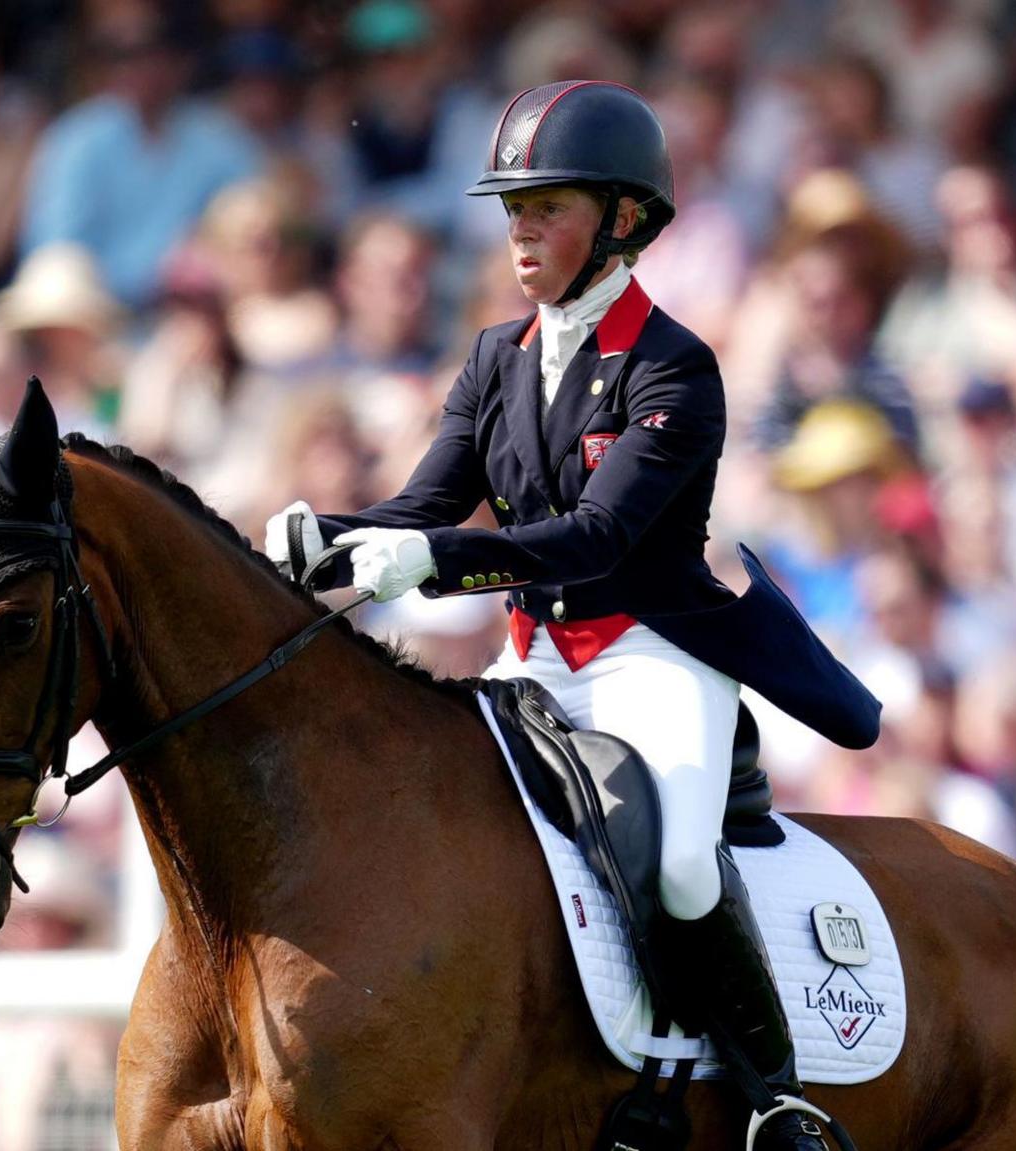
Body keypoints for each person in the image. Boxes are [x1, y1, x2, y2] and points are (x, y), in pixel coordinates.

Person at [264, 81, 880, 1149]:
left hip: (652, 652)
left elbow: (596, 539)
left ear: (621, 219)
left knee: (680, 861)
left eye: (546, 206)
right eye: (512, 208)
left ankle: (775, 1094)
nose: (518, 229)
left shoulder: (673, 367)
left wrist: (432, 558)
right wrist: (319, 536)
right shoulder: (493, 358)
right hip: (534, 657)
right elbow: (420, 509)